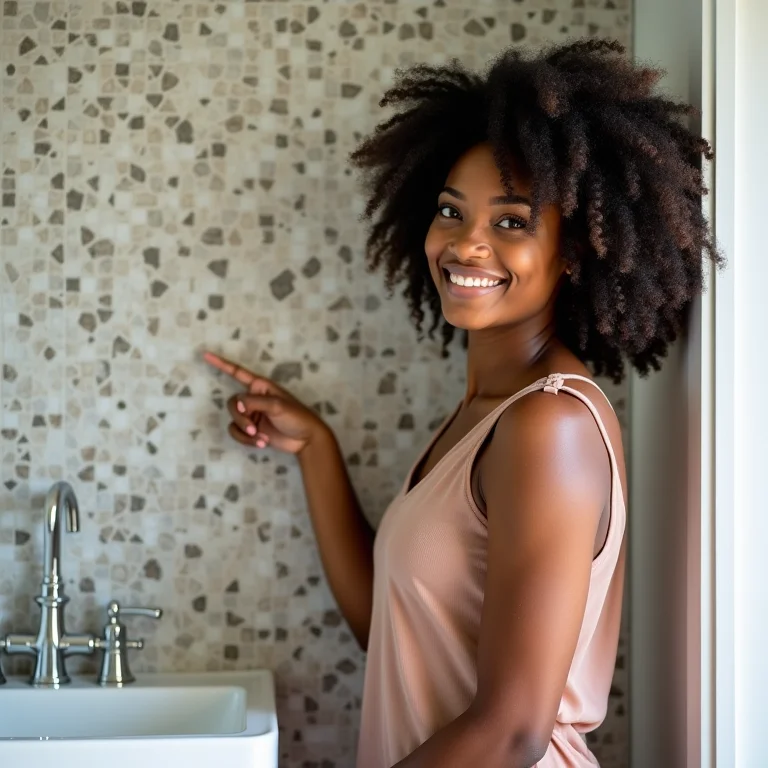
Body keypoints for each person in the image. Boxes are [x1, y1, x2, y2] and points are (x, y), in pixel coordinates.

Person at [204, 39, 719, 768]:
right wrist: (317, 449)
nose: (465, 245)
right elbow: (391, 630)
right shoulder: (485, 415)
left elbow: (512, 734)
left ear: (571, 251)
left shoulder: (550, 425)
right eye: (451, 212)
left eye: (510, 222)